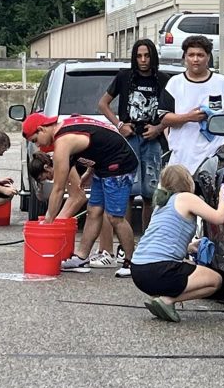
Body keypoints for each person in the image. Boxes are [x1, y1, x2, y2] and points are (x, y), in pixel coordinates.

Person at [23, 113, 138, 277]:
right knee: (93, 211)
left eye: (35, 140)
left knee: (115, 217)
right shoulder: (65, 126)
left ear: (41, 129)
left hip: (120, 163)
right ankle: (81, 258)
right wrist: (90, 171)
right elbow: (98, 141)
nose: (38, 146)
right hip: (103, 164)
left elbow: (58, 188)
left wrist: (48, 222)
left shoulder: (63, 142)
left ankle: (131, 261)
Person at [131, 164, 224, 322]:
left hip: (138, 270)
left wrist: (190, 247)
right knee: (216, 281)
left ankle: (161, 297)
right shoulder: (186, 198)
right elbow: (218, 218)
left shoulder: (161, 205)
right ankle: (167, 300)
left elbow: (162, 240)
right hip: (159, 270)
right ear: (188, 181)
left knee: (181, 267)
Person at [98, 38, 169, 230]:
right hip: (128, 139)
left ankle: (148, 236)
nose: (143, 60)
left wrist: (158, 129)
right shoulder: (124, 76)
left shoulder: (163, 80)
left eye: (147, 55)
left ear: (153, 56)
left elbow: (171, 112)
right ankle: (125, 238)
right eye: (139, 56)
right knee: (126, 190)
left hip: (152, 139)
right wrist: (119, 124)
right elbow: (103, 104)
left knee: (150, 192)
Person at [159, 34, 224, 173]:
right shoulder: (175, 84)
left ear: (208, 57)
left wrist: (217, 122)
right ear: (185, 57)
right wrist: (189, 117)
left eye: (200, 55)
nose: (195, 59)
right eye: (191, 55)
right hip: (182, 159)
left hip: (215, 159)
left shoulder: (222, 83)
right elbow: (164, 118)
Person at [27, 151, 122, 264]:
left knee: (104, 207)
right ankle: (103, 251)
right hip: (101, 163)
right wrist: (55, 221)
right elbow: (74, 195)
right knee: (98, 207)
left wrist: (53, 223)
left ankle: (108, 253)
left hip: (112, 162)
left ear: (46, 167)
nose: (49, 179)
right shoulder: (57, 159)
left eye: (46, 176)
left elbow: (78, 196)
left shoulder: (61, 160)